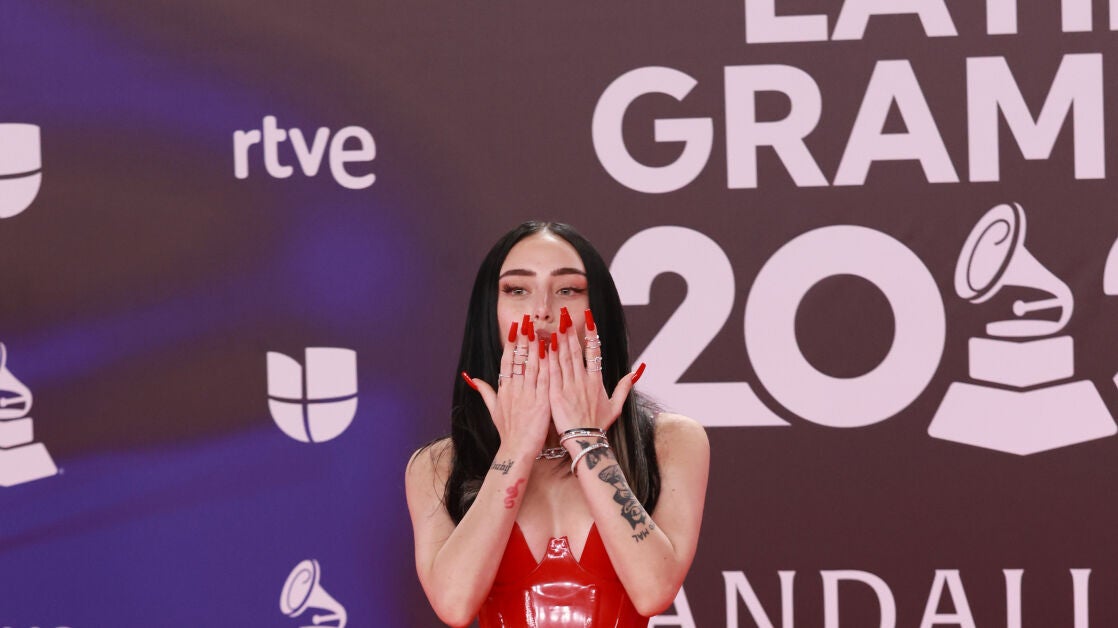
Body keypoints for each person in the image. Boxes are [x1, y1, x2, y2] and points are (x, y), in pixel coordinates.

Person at [406, 221, 709, 627]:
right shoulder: (437, 464)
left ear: (598, 310)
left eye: (568, 289)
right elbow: (455, 605)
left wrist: (586, 438)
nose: (542, 310)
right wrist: (516, 448)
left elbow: (653, 589)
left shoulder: (670, 440)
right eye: (517, 290)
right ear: (489, 313)